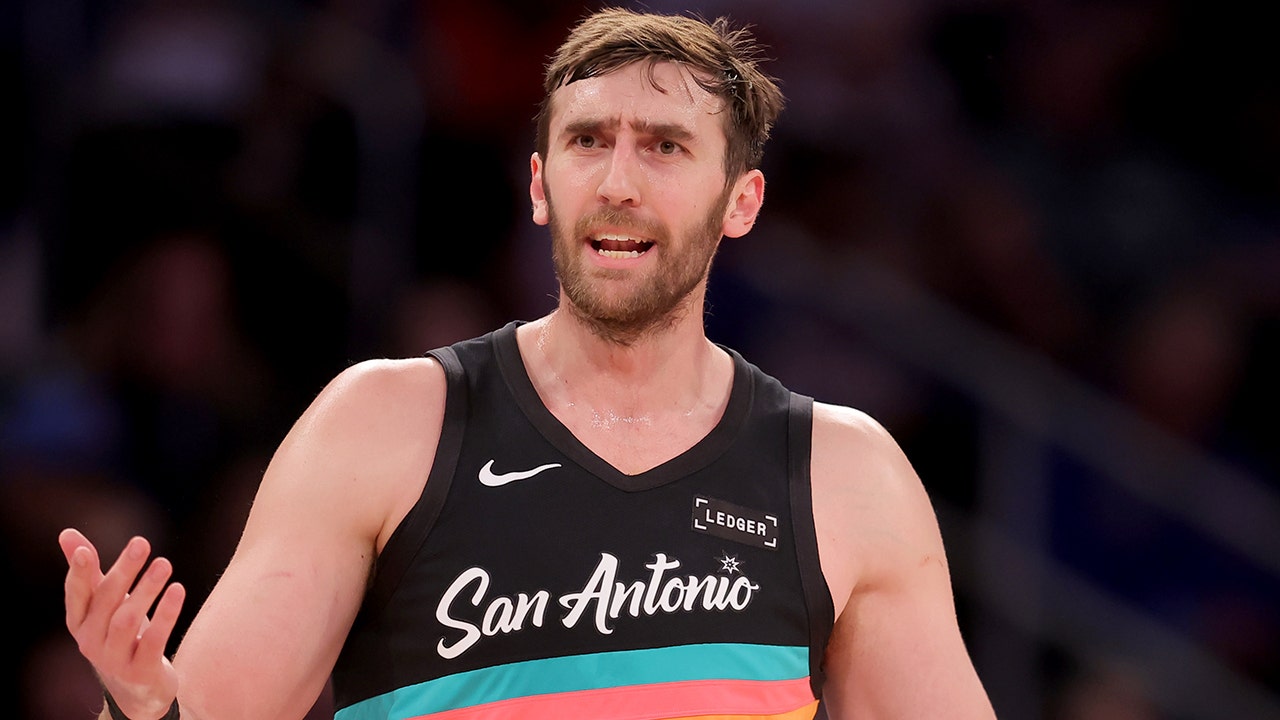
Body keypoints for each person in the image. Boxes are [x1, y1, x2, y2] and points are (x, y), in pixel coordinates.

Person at [59, 7, 999, 719]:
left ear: (741, 202)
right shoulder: (385, 425)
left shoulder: (845, 476)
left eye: (665, 148)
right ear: (542, 186)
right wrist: (139, 707)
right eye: (589, 142)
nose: (618, 182)